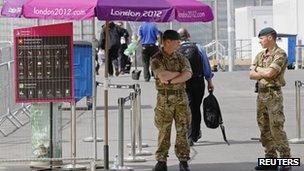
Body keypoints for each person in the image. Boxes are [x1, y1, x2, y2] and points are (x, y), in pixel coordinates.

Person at [249, 27, 291, 171]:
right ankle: (270, 159)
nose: (260, 41)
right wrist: (262, 72)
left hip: (273, 95)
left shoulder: (280, 54)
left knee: (276, 127)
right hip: (261, 94)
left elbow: (270, 73)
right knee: (264, 127)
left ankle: (286, 160)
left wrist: (259, 70)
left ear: (270, 38)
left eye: (261, 38)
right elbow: (251, 74)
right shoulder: (260, 55)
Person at [151, 30, 192, 171]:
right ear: (168, 41)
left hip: (181, 97)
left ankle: (183, 160)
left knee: (183, 129)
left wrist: (170, 80)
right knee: (164, 130)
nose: (179, 43)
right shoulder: (156, 58)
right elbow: (162, 76)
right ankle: (161, 161)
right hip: (164, 99)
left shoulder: (181, 57)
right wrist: (177, 75)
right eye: (177, 41)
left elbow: (188, 74)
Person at [177, 28, 214, 146]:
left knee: (186, 108)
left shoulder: (176, 50)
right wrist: (209, 81)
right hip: (198, 81)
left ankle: (188, 135)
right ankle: (195, 133)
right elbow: (206, 67)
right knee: (195, 108)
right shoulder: (199, 48)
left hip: (183, 82)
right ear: (189, 36)